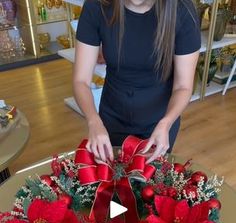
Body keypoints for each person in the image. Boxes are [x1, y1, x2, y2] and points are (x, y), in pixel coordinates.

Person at [73, 0, 201, 163]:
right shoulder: (97, 6)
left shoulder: (182, 10)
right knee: (111, 182)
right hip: (111, 118)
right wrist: (93, 121)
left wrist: (166, 123)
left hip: (159, 122)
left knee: (151, 183)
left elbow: (183, 86)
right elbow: (81, 80)